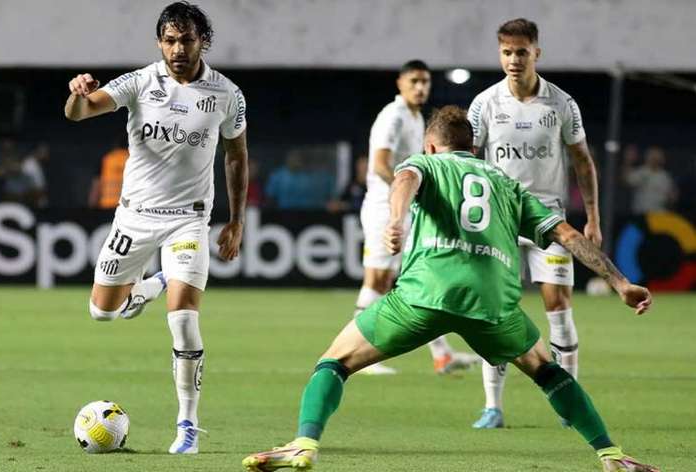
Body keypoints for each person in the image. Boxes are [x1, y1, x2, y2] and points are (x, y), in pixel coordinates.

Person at [242, 106, 658, 472]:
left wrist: (397, 220)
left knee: (334, 362)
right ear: (472, 148)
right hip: (493, 305)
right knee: (547, 371)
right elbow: (567, 234)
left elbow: (404, 178)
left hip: (424, 297)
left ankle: (304, 444)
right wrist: (619, 282)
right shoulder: (509, 186)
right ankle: (611, 453)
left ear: (430, 144)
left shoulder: (427, 163)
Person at [64, 1, 248, 454]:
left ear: (202, 40)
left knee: (184, 320)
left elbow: (236, 155)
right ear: (159, 43)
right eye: (169, 40)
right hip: (134, 216)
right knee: (103, 312)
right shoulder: (141, 82)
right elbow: (78, 113)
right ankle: (152, 285)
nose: (177, 49)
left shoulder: (227, 94)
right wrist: (78, 92)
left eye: (186, 39)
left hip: (188, 219)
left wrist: (237, 219)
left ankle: (187, 425)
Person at [467, 18, 602, 428]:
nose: (513, 60)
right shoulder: (484, 103)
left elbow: (582, 161)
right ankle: (493, 407)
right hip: (499, 220)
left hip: (548, 219)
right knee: (494, 311)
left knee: (557, 308)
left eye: (521, 52)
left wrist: (592, 218)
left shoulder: (561, 104)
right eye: (506, 52)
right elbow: (466, 163)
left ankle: (570, 406)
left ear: (536, 53)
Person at [356, 59, 479, 375]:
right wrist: (406, 194)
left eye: (425, 81)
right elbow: (380, 164)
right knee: (378, 279)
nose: (421, 87)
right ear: (400, 83)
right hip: (385, 209)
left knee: (419, 277)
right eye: (414, 81)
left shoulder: (415, 118)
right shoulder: (393, 116)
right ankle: (359, 352)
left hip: (403, 209)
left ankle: (442, 355)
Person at [622, 145, 678, 214]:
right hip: (642, 213)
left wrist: (672, 197)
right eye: (652, 155)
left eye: (658, 156)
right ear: (647, 157)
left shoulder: (665, 176)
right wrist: (628, 161)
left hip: (660, 213)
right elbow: (627, 181)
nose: (655, 158)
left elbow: (671, 198)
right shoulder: (642, 171)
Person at [88, 136, 129, 209]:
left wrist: (91, 207)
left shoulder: (106, 159)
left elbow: (96, 185)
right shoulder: (132, 159)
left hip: (107, 205)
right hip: (126, 206)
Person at [21, 142, 51, 208]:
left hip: (39, 199)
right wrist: (38, 195)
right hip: (32, 201)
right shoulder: (29, 163)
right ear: (37, 151)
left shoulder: (38, 164)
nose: (46, 154)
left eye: (46, 152)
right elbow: (26, 185)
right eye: (44, 152)